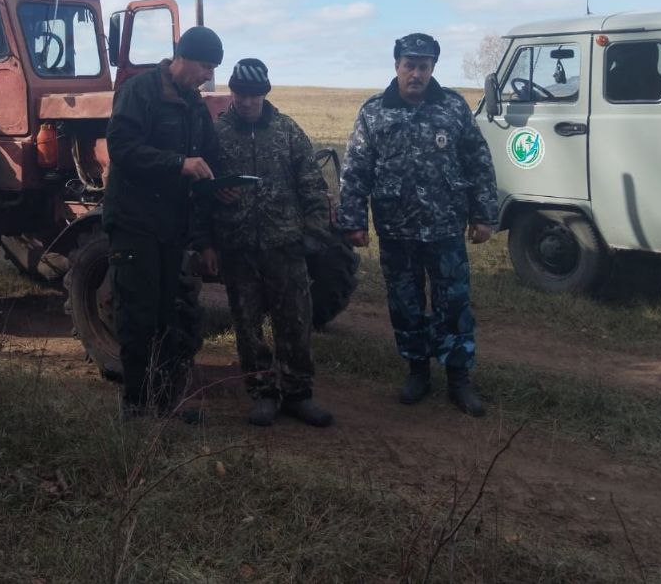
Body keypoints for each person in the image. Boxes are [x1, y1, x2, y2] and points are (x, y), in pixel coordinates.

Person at [338, 33, 498, 416]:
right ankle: (417, 372)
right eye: (409, 65)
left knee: (454, 304)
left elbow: (478, 161)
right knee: (406, 306)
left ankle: (459, 379)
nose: (416, 73)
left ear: (432, 70)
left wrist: (483, 214)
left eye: (423, 67)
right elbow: (356, 170)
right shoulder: (374, 112)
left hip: (445, 228)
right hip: (397, 230)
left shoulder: (453, 107)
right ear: (396, 66)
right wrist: (353, 221)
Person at [200, 59, 335, 428]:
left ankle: (298, 393)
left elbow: (311, 183)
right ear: (233, 93)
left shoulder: (287, 131)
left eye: (253, 95)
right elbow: (202, 191)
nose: (245, 102)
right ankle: (262, 393)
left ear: (264, 94)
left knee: (294, 320)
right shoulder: (217, 134)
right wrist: (210, 232)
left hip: (285, 245)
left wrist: (314, 235)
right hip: (238, 247)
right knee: (247, 324)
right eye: (240, 94)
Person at [103, 25, 223, 420]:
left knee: (169, 314)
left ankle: (165, 401)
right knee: (138, 315)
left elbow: (209, 153)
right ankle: (136, 406)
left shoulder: (193, 104)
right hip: (135, 221)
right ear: (183, 57)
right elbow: (122, 149)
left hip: (173, 226)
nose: (208, 76)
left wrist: (224, 184)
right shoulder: (140, 92)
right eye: (205, 66)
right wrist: (177, 164)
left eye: (212, 70)